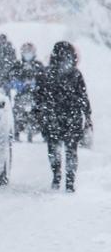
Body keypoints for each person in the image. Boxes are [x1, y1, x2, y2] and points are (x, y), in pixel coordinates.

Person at [35, 41, 92, 192]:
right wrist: (87, 116)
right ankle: (69, 181)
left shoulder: (45, 74)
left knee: (53, 148)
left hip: (52, 117)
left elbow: (38, 98)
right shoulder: (76, 74)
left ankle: (56, 175)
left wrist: (39, 115)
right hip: (72, 117)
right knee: (71, 150)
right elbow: (83, 97)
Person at [10, 42, 45, 142]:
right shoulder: (17, 65)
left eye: (30, 52)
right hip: (22, 94)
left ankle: (45, 133)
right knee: (16, 112)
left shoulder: (38, 65)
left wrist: (37, 85)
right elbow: (11, 78)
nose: (28, 54)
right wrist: (20, 84)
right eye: (25, 52)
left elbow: (44, 78)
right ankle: (16, 132)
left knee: (43, 111)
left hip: (37, 95)